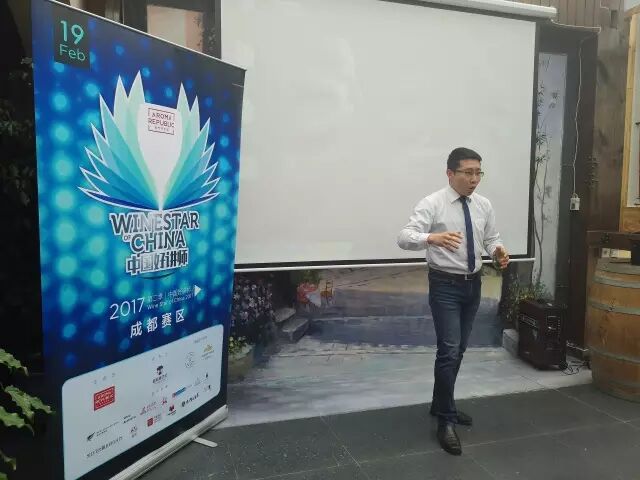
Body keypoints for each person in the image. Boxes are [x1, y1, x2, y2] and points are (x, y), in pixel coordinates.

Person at [397, 147, 509, 455]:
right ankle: (446, 420)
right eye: (468, 173)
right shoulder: (432, 203)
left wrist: (498, 251)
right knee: (448, 350)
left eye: (478, 173)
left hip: (473, 284)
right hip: (444, 285)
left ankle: (440, 404)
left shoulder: (483, 204)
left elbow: (491, 238)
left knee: (457, 350)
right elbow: (404, 237)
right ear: (450, 173)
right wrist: (430, 238)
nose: (474, 179)